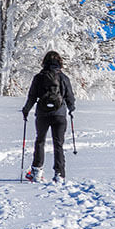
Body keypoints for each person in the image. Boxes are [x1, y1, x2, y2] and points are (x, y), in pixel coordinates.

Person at [21, 51, 76, 184]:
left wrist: (26, 110)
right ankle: (59, 174)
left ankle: (37, 171)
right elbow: (70, 96)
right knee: (58, 144)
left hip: (42, 114)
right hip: (60, 114)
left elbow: (32, 96)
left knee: (40, 141)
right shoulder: (63, 77)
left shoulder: (39, 77)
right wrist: (71, 108)